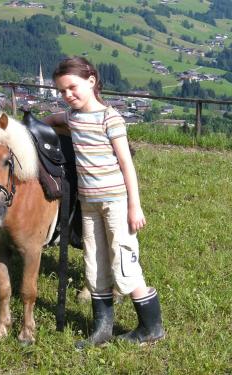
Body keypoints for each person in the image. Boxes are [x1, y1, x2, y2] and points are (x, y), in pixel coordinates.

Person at [44, 57, 164, 348]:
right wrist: (38, 125)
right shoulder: (72, 118)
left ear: (91, 81)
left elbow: (126, 164)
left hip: (115, 203)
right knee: (95, 262)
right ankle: (102, 328)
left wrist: (134, 206)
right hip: (89, 204)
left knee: (123, 260)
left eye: (72, 87)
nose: (68, 95)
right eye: (61, 91)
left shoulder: (110, 118)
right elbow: (53, 120)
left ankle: (151, 327)